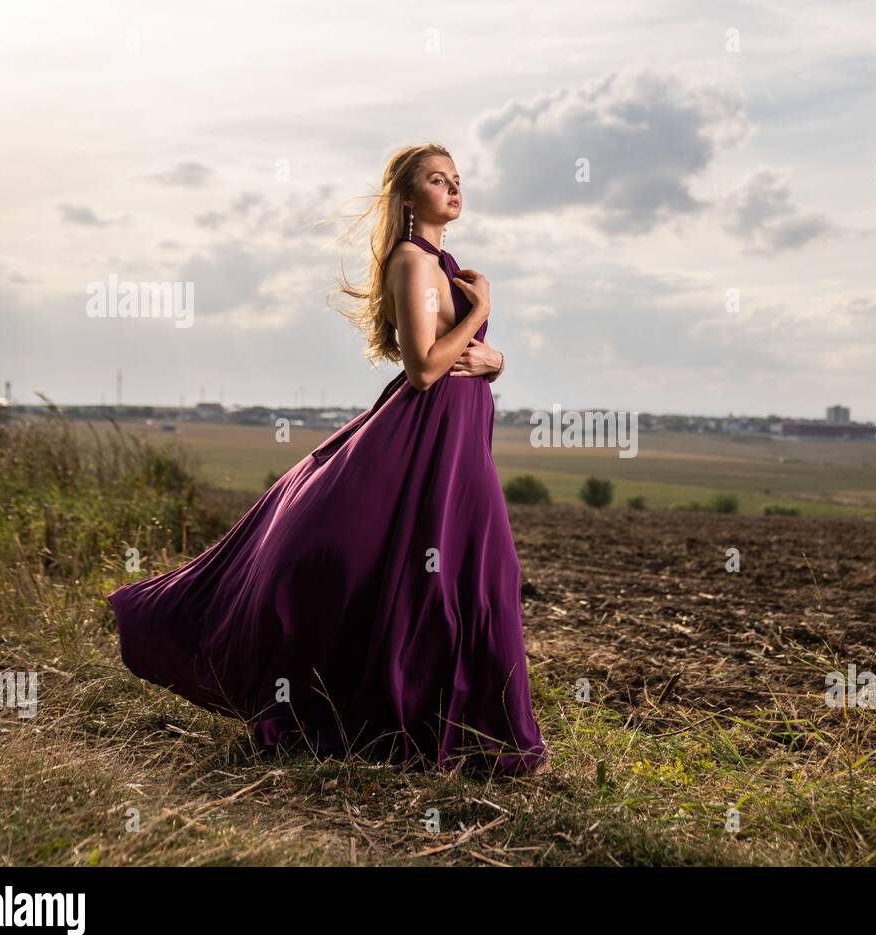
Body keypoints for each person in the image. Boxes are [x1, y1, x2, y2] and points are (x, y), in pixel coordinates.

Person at [107, 143, 551, 777]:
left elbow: (467, 360)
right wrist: (481, 312)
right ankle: (414, 728)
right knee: (430, 569)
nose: (454, 188)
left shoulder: (446, 265)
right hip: (427, 435)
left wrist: (496, 359)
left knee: (475, 572)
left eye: (457, 179)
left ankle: (461, 733)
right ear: (406, 198)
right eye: (437, 179)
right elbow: (425, 369)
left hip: (459, 438)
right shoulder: (413, 261)